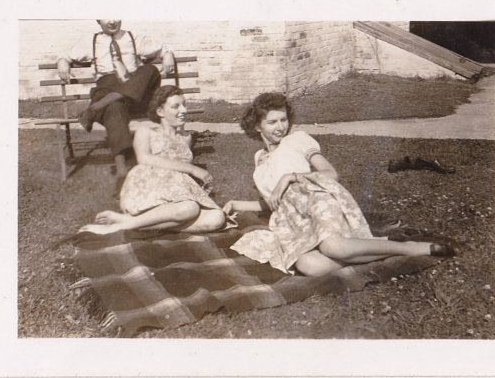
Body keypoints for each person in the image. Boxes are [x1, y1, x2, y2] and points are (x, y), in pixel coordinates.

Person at [223, 92, 456, 276]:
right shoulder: (258, 158)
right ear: (257, 126)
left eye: (283, 119)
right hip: (289, 218)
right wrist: (235, 203)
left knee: (333, 248)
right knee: (310, 266)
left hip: (316, 199)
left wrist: (291, 177)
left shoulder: (297, 139)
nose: (280, 127)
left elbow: (331, 174)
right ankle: (381, 245)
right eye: (271, 122)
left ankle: (412, 248)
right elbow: (272, 200)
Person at [79, 85, 226, 235]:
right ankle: (117, 227)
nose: (184, 111)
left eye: (184, 105)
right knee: (189, 208)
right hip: (149, 191)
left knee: (217, 218)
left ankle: (128, 222)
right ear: (160, 111)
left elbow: (180, 169)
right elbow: (144, 158)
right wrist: (193, 169)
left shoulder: (186, 137)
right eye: (176, 106)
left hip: (178, 192)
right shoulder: (146, 131)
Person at [57, 20, 175, 189]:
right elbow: (66, 55)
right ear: (98, 20)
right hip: (106, 86)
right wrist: (62, 62)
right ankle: (122, 170)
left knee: (150, 70)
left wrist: (168, 54)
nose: (112, 21)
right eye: (106, 17)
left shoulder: (135, 37)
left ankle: (94, 109)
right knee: (114, 107)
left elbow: (162, 48)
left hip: (135, 93)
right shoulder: (89, 41)